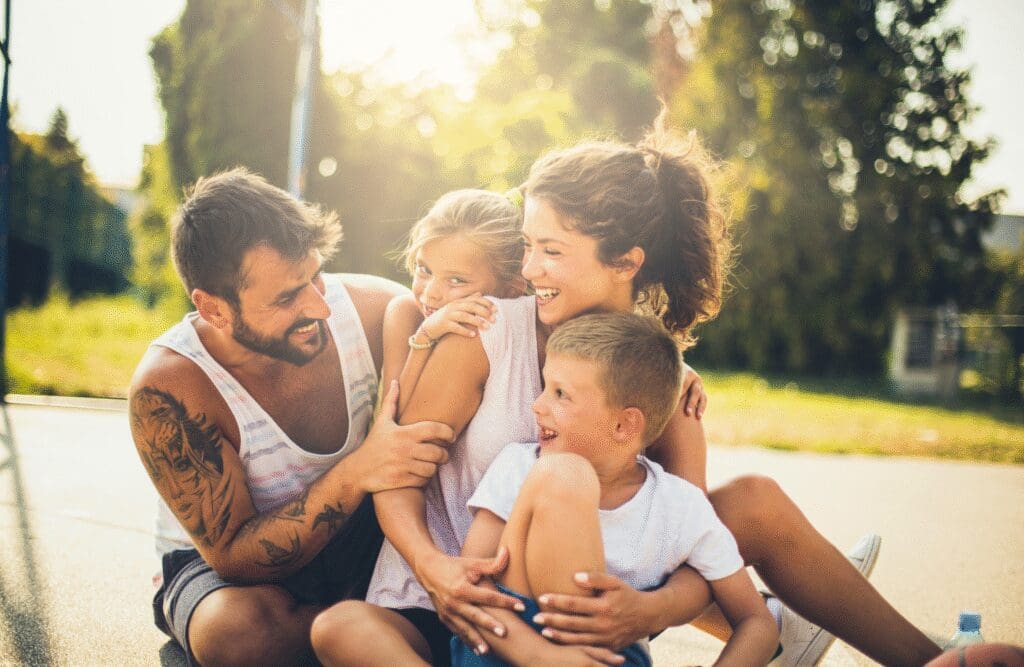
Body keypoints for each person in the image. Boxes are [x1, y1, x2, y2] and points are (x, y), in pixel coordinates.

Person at [314, 114, 942, 666]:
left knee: (756, 501)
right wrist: (435, 570)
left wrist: (650, 610)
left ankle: (938, 661)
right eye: (528, 246)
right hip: (453, 601)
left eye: (551, 250)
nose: (529, 269)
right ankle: (775, 627)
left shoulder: (658, 378)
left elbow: (689, 532)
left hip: (593, 610)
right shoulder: (482, 332)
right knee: (346, 629)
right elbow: (397, 477)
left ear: (626, 262)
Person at [129, 168, 456, 666]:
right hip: (231, 571)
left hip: (359, 536)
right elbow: (234, 556)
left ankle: (381, 632)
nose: (319, 307)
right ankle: (383, 631)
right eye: (286, 298)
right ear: (214, 310)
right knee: (234, 635)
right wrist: (359, 470)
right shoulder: (171, 387)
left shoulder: (378, 310)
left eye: (315, 276)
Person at [449, 312, 778, 666]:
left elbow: (757, 622)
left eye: (561, 394)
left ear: (624, 425)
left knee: (566, 474)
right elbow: (471, 583)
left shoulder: (680, 506)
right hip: (507, 647)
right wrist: (541, 657)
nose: (538, 405)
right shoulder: (518, 466)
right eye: (545, 386)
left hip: (610, 657)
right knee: (564, 475)